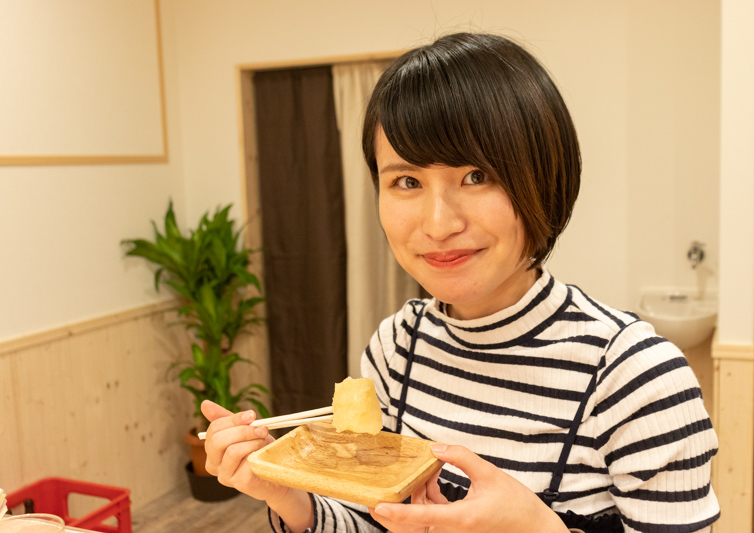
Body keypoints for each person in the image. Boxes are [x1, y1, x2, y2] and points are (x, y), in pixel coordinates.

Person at [201, 32, 720, 533]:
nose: (438, 224)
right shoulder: (397, 347)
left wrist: (537, 528)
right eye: (407, 181)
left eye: (477, 176)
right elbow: (377, 520)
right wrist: (286, 496)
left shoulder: (635, 378)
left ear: (545, 177)